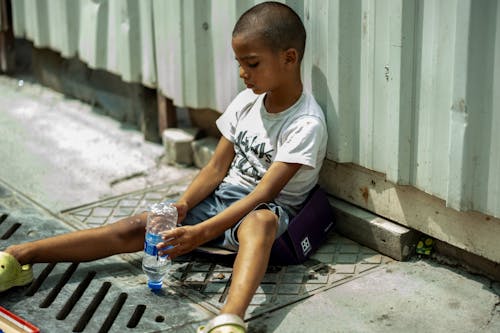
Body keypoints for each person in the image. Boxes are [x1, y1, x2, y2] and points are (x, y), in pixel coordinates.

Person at [0, 2, 327, 332]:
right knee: (138, 226)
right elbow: (215, 169)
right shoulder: (246, 102)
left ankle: (229, 320)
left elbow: (263, 193)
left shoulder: (305, 123)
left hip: (267, 211)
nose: (243, 73)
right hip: (223, 200)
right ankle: (21, 256)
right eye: (239, 63)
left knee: (258, 224)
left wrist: (202, 232)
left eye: (252, 64)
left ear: (289, 58)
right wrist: (183, 206)